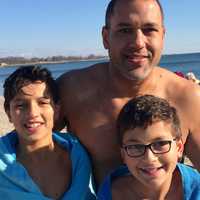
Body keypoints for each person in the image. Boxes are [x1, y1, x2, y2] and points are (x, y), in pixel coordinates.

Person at [56, 0, 200, 187]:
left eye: (149, 30)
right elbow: (25, 153)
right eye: (125, 30)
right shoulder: (73, 90)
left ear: (162, 36)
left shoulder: (187, 97)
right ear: (106, 38)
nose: (138, 43)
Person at [0, 65, 93, 199]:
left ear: (56, 110)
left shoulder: (79, 156)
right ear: (9, 113)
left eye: (43, 103)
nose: (32, 113)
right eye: (21, 105)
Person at [97, 95, 200, 200]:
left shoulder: (197, 188)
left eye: (160, 143)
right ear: (123, 154)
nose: (149, 158)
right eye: (136, 146)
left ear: (178, 148)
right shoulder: (111, 193)